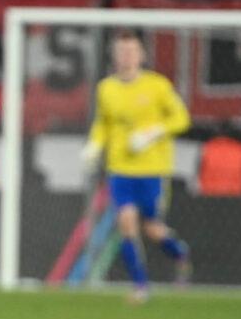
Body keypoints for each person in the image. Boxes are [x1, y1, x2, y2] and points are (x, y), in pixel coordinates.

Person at [82, 30, 192, 303]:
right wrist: (94, 145)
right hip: (120, 169)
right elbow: (103, 123)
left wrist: (154, 132)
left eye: (131, 51)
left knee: (152, 229)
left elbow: (181, 118)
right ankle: (141, 286)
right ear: (114, 56)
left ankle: (180, 253)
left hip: (152, 169)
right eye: (122, 51)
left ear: (141, 55)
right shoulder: (106, 88)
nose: (127, 57)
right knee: (126, 221)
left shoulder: (157, 86)